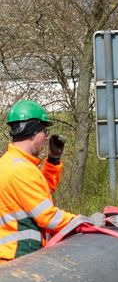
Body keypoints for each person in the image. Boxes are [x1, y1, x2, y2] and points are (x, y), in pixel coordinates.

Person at [0, 100, 77, 262]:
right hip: (19, 260)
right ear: (33, 131)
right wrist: (82, 222)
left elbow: (40, 195)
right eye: (44, 131)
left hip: (12, 259)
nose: (46, 137)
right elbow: (47, 216)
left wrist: (54, 160)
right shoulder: (20, 170)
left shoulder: (11, 163)